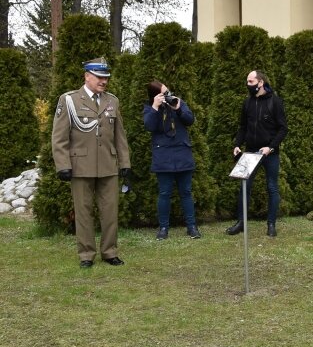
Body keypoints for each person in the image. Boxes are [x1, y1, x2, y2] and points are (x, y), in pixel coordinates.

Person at [51, 57, 131, 268]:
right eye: (99, 77)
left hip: (108, 165)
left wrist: (125, 163)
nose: (103, 81)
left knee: (110, 211)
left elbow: (119, 135)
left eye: (106, 78)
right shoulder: (69, 100)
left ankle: (110, 252)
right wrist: (63, 165)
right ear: (87, 76)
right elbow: (59, 137)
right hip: (80, 166)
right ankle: (86, 255)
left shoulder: (112, 101)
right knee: (84, 212)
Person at [225, 70, 287, 237]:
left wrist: (270, 147)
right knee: (244, 187)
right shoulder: (247, 103)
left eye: (251, 82)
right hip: (250, 153)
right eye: (247, 81)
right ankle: (241, 223)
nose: (248, 85)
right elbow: (243, 127)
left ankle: (271, 225)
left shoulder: (275, 102)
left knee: (272, 187)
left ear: (260, 83)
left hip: (269, 154)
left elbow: (283, 129)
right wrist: (237, 144)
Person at [143, 81, 201, 240]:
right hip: (163, 157)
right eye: (163, 94)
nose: (168, 96)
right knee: (164, 193)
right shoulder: (149, 108)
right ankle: (163, 228)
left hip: (182, 153)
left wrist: (179, 108)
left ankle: (192, 227)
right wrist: (155, 107)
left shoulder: (178, 102)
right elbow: (149, 125)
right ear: (155, 96)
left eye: (168, 92)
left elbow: (190, 120)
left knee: (186, 192)